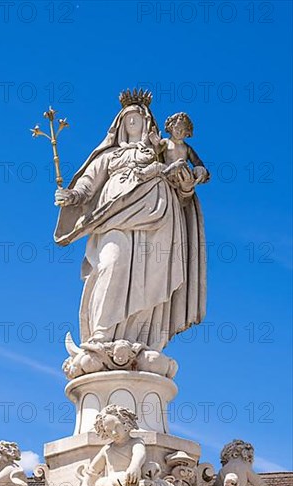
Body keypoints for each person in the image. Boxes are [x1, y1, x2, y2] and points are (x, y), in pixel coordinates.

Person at [54, 91, 207, 351]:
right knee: (111, 262)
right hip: (114, 217)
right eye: (129, 119)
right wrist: (71, 195)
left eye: (138, 118)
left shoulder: (160, 151)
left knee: (152, 275)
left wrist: (186, 183)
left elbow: (183, 190)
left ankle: (143, 340)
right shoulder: (110, 156)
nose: (134, 123)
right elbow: (88, 184)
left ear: (148, 123)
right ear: (120, 124)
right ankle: (101, 335)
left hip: (159, 221)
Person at [149, 112, 209, 194]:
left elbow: (197, 162)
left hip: (182, 178)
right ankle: (145, 174)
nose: (179, 132)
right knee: (156, 165)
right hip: (167, 171)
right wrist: (156, 144)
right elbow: (157, 153)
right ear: (171, 127)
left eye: (183, 130)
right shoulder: (166, 142)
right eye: (177, 128)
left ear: (187, 133)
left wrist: (201, 170)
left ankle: (165, 174)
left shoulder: (187, 148)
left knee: (181, 163)